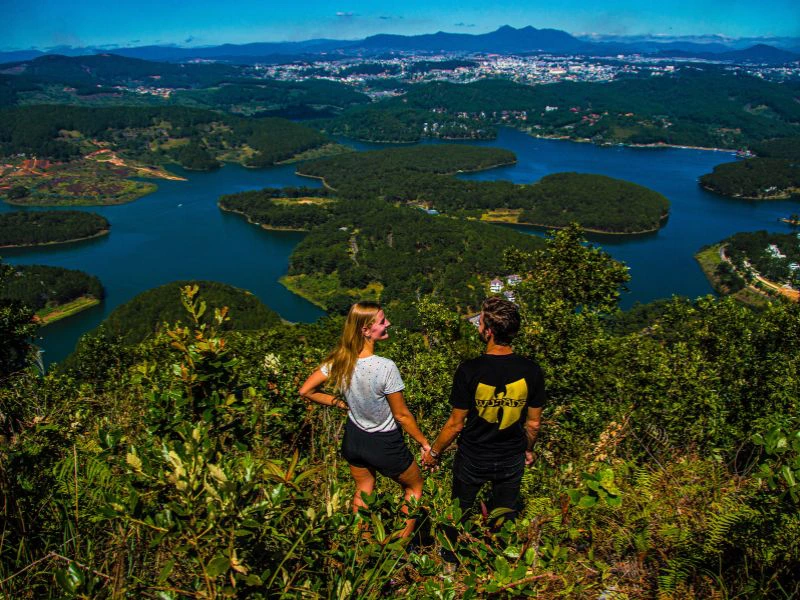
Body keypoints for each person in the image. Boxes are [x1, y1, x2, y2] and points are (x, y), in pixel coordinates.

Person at [422, 296, 545, 563]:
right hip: (511, 455)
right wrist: (528, 449)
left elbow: (456, 424)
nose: (478, 326)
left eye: (480, 321)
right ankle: (500, 562)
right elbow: (533, 423)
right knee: (505, 511)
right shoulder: (531, 370)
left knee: (461, 509)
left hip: (473, 456)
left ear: (488, 331)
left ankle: (451, 561)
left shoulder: (469, 370)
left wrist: (435, 452)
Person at [299, 301, 430, 539]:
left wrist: (339, 403)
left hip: (354, 439)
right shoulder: (385, 367)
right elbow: (401, 415)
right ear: (365, 330)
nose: (387, 323)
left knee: (364, 490)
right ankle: (398, 549)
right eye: (382, 321)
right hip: (384, 442)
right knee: (414, 487)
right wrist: (424, 442)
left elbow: (306, 390)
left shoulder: (341, 360)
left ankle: (363, 547)